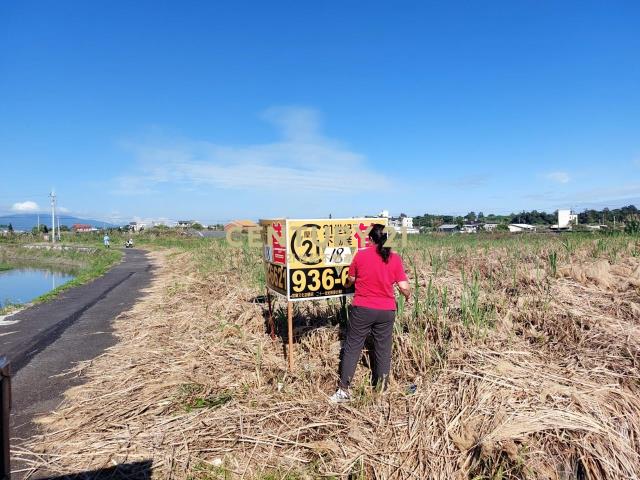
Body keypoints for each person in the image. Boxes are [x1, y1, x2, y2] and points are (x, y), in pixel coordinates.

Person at [330, 223, 410, 403]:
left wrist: (346, 285)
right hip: (387, 311)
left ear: (371, 238)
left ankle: (343, 391)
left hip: (363, 308)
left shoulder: (361, 255)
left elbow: (350, 279)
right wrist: (407, 296)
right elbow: (404, 287)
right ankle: (380, 390)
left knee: (352, 347)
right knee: (383, 349)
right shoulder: (395, 258)